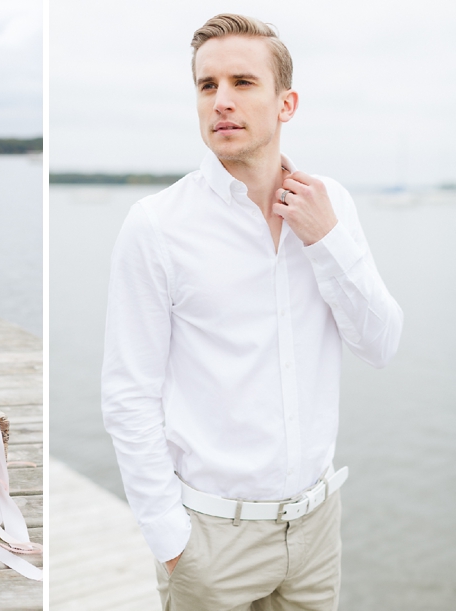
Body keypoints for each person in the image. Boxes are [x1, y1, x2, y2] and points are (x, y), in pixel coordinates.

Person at [100, 13, 403, 611]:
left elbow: (381, 345)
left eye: (242, 82)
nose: (222, 102)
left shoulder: (331, 204)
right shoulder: (157, 226)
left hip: (317, 531)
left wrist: (326, 239)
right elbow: (128, 394)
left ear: (286, 103)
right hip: (211, 541)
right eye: (207, 86)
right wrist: (169, 537)